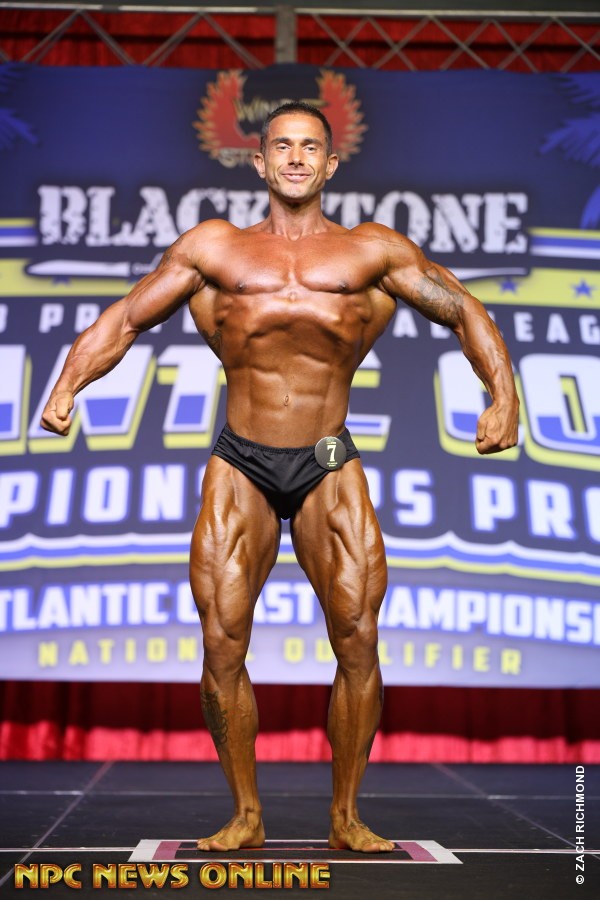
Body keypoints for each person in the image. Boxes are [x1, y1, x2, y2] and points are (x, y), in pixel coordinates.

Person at [41, 101, 519, 853]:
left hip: (327, 460)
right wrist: (68, 385)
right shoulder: (215, 248)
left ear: (331, 164)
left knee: (358, 638)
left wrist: (504, 397)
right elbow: (127, 317)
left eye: (310, 147)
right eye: (282, 147)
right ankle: (246, 814)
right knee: (222, 643)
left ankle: (346, 816)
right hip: (242, 461)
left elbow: (463, 309)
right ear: (259, 162)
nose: (296, 158)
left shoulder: (371, 252)